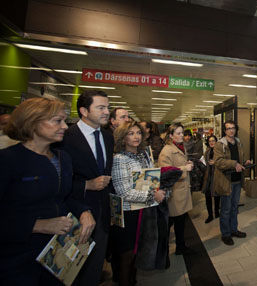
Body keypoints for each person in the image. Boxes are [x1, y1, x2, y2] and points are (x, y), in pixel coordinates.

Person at [0, 98, 95, 286]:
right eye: (57, 121)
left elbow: (63, 197)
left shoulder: (63, 158)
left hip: (57, 255)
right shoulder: (8, 160)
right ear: (32, 122)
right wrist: (38, 225)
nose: (65, 127)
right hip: (18, 258)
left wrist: (84, 211)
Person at [61, 90, 114, 286]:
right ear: (84, 110)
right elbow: (59, 182)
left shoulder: (108, 137)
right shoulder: (66, 137)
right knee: (71, 271)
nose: (107, 112)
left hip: (102, 214)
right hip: (75, 214)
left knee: (94, 267)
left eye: (107, 107)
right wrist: (85, 185)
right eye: (101, 107)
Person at [111, 121, 166, 286]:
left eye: (138, 133)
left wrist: (159, 192)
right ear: (123, 137)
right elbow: (124, 192)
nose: (136, 136)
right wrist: (153, 196)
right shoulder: (119, 159)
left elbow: (151, 179)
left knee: (137, 253)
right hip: (128, 213)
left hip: (144, 210)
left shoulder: (144, 155)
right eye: (131, 133)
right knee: (126, 255)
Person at [214, 120, 251, 246]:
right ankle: (226, 234)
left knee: (234, 208)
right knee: (226, 209)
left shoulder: (238, 142)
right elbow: (218, 161)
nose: (231, 130)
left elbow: (239, 158)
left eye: (233, 128)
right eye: (228, 128)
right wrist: (234, 163)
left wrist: (244, 162)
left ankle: (234, 230)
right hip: (226, 181)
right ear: (225, 131)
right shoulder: (220, 145)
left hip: (237, 180)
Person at [158, 123, 194, 255]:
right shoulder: (167, 150)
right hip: (174, 193)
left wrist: (187, 164)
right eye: (178, 133)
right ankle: (163, 252)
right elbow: (165, 173)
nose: (181, 136)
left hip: (181, 191)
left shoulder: (180, 147)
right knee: (171, 223)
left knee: (180, 222)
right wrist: (185, 168)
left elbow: (176, 165)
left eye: (182, 133)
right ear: (171, 135)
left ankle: (180, 246)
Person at [201, 135, 220, 223]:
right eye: (210, 141)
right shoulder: (207, 152)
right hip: (208, 177)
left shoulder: (220, 151)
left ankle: (217, 212)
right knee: (207, 196)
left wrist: (215, 163)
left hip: (216, 177)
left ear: (216, 141)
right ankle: (210, 215)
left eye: (213, 141)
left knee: (217, 196)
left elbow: (223, 163)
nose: (212, 142)